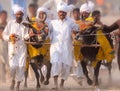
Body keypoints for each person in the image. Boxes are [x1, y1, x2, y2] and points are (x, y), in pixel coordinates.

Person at [49, 1, 79, 89]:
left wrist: (75, 31)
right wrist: (45, 32)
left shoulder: (71, 22)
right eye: (60, 12)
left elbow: (77, 29)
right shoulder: (53, 23)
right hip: (55, 47)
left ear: (66, 13)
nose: (61, 13)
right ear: (58, 13)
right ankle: (55, 84)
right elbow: (47, 32)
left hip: (67, 47)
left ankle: (61, 84)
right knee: (55, 63)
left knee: (66, 66)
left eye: (63, 12)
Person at [2, 5, 33, 90]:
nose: (19, 16)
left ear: (22, 15)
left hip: (22, 48)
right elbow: (4, 34)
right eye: (17, 14)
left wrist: (29, 35)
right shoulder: (10, 24)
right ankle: (13, 80)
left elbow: (25, 37)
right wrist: (9, 37)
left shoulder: (26, 25)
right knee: (13, 67)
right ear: (15, 15)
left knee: (21, 66)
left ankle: (18, 84)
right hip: (12, 48)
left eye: (20, 14)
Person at [0, 10, 8, 83]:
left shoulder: (9, 25)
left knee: (8, 65)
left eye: (5, 15)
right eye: (2, 16)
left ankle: (9, 80)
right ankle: (3, 81)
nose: (4, 17)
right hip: (1, 47)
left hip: (8, 47)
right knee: (1, 65)